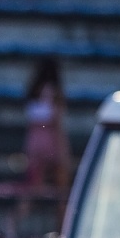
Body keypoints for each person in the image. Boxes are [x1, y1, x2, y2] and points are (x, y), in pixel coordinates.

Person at [22, 57, 70, 208]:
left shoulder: (33, 92)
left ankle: (13, 220)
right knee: (61, 190)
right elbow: (56, 123)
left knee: (34, 186)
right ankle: (63, 225)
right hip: (50, 142)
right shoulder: (54, 93)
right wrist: (63, 150)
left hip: (34, 141)